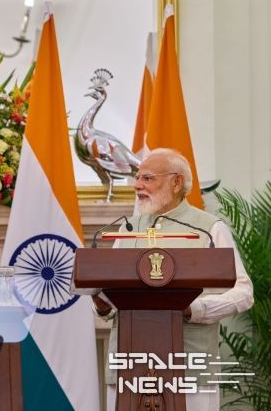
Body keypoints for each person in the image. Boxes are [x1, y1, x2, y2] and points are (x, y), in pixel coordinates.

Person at [92, 148, 254, 410]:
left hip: (190, 367)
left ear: (177, 182)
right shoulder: (128, 228)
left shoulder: (209, 229)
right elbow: (111, 297)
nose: (137, 185)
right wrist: (102, 304)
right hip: (129, 366)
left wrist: (194, 309)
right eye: (137, 178)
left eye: (147, 178)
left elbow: (244, 292)